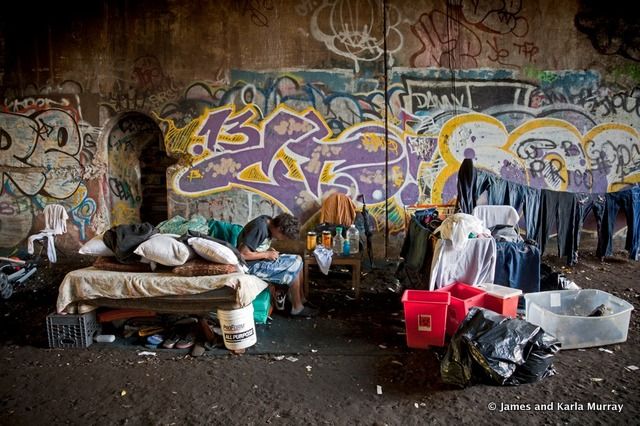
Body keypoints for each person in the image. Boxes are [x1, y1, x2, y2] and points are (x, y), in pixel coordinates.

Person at [237, 213, 317, 317]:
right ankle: (297, 308)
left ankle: (300, 299)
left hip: (258, 260)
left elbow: (255, 245)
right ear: (279, 229)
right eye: (283, 236)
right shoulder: (260, 228)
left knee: (298, 258)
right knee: (293, 265)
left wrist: (267, 250)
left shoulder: (268, 221)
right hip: (249, 266)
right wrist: (266, 254)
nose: (282, 239)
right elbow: (242, 254)